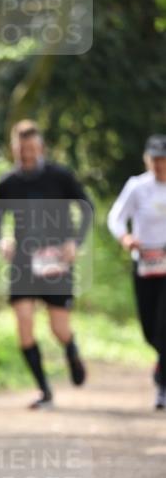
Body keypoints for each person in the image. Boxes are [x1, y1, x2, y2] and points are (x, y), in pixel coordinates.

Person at [0, 120, 94, 409]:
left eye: (32, 149)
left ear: (41, 148)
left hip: (56, 259)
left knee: (58, 328)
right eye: (22, 150)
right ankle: (45, 391)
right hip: (23, 259)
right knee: (24, 325)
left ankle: (71, 349)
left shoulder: (60, 176)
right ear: (14, 149)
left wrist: (75, 242)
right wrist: (2, 241)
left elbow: (86, 208)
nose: (28, 155)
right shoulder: (7, 182)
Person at [107, 134, 166, 410]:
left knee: (164, 325)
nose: (159, 166)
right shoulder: (137, 186)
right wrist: (126, 238)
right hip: (144, 262)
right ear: (147, 160)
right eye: (154, 160)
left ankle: (162, 385)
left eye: (163, 160)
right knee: (148, 329)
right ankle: (161, 364)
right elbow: (116, 216)